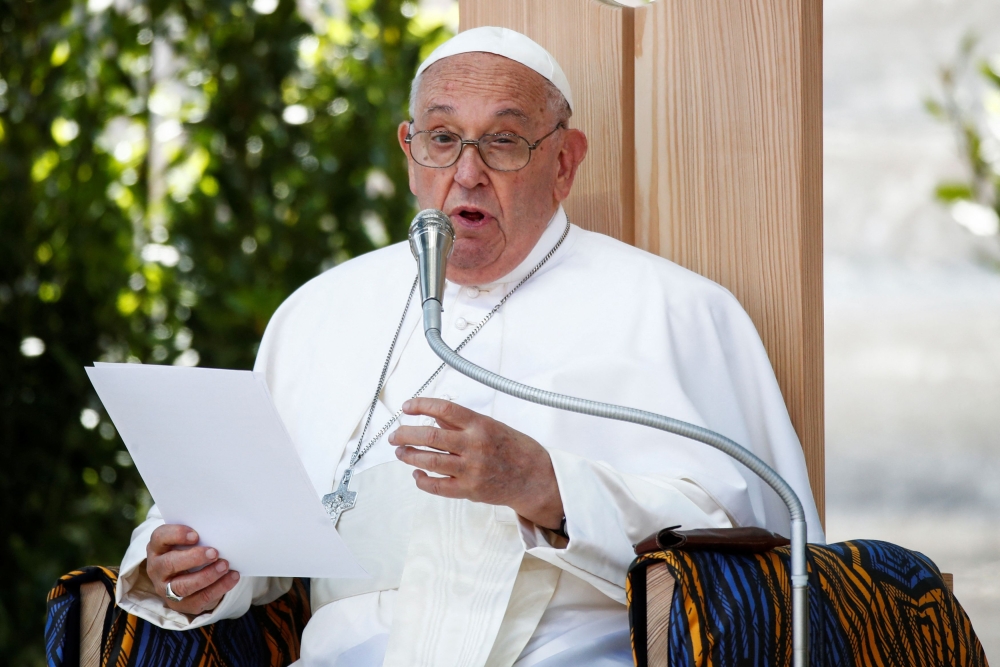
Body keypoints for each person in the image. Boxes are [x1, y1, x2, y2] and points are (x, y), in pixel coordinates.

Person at [115, 27, 823, 667]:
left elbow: (768, 553)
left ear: (565, 162)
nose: (467, 172)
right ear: (409, 150)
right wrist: (186, 568)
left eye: (504, 141)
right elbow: (242, 516)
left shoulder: (676, 311)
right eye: (442, 138)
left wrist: (548, 487)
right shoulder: (319, 310)